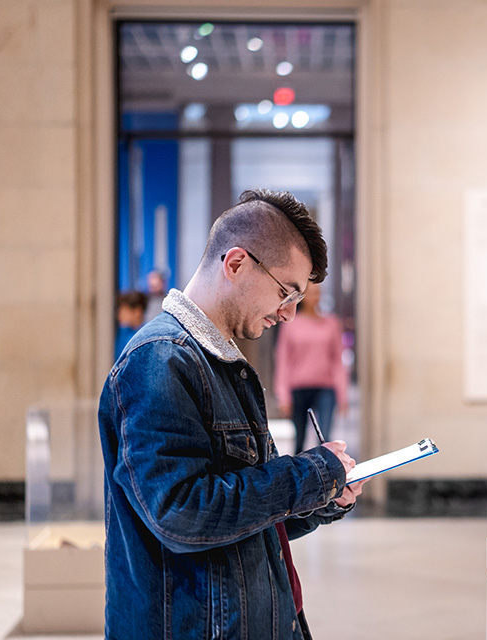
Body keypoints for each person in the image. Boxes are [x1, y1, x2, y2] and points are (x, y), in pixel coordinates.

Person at [98, 188, 366, 639]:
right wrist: (308, 476)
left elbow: (246, 514)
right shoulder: (159, 361)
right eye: (286, 291)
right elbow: (181, 514)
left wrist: (324, 498)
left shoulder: (222, 363)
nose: (289, 313)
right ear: (236, 263)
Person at [274, 282, 349, 454]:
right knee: (299, 440)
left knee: (325, 438)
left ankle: (329, 476)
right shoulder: (291, 324)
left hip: (325, 388)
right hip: (298, 389)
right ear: (303, 297)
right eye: (312, 293)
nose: (316, 297)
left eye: (318, 293)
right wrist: (283, 396)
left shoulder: (331, 323)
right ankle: (300, 478)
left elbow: (337, 360)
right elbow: (283, 360)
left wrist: (342, 394)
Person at [114, 290, 147, 359]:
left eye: (124, 311)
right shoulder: (120, 333)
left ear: (137, 311)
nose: (119, 315)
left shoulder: (147, 335)